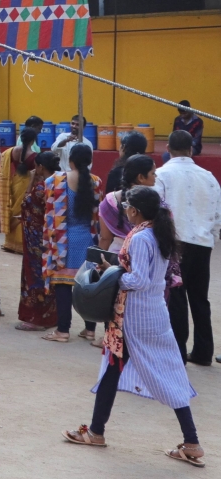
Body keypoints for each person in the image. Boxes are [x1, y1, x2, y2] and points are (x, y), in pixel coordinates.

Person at [63, 187, 203, 470]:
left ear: (135, 210)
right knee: (157, 373)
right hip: (154, 314)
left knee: (118, 369)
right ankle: (190, 442)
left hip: (134, 317)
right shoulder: (158, 234)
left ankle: (97, 432)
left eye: (127, 205)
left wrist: (111, 276)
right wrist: (115, 268)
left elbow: (137, 279)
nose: (125, 209)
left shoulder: (139, 237)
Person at [156, 130, 221, 366]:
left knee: (176, 297)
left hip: (176, 242)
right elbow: (217, 213)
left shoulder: (161, 175)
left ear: (167, 148)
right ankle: (203, 352)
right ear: (191, 149)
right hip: (202, 243)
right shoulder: (209, 177)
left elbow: (157, 212)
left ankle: (178, 352)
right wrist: (211, 237)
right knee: (200, 298)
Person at [41, 144, 103, 343]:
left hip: (63, 241)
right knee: (88, 285)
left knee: (62, 286)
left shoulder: (55, 180)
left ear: (71, 160)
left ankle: (63, 330)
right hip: (87, 239)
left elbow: (48, 207)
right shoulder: (95, 182)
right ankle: (90, 330)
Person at [16, 151, 61, 331]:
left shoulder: (42, 187)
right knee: (50, 275)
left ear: (41, 167)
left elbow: (26, 202)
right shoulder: (60, 183)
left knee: (35, 276)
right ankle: (51, 316)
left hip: (37, 239)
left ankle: (37, 318)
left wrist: (31, 182)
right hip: (53, 237)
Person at [99, 154, 157, 255]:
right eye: (153, 173)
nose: (156, 176)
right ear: (141, 177)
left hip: (115, 256)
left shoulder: (109, 201)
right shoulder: (155, 201)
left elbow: (105, 238)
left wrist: (97, 261)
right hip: (145, 254)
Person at [0, 127, 38, 255]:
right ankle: (20, 244)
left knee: (14, 210)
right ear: (33, 140)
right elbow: (36, 173)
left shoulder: (12, 151)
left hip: (15, 182)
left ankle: (9, 242)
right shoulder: (34, 155)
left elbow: (3, 161)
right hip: (27, 184)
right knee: (23, 211)